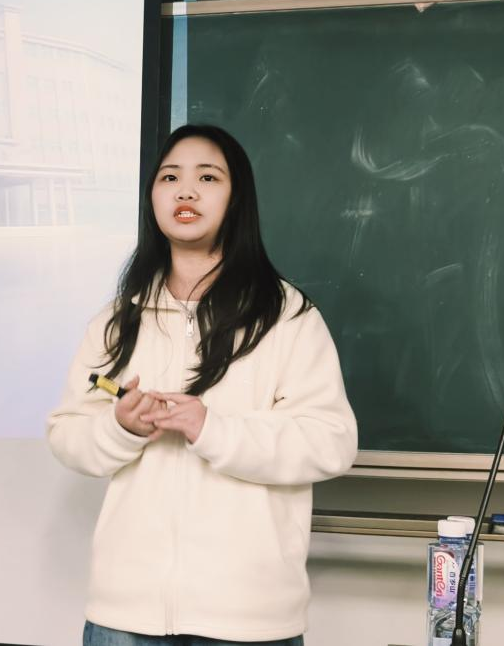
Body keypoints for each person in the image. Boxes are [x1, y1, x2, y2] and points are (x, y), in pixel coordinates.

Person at [46, 124, 358, 645]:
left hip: (248, 619)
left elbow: (331, 442)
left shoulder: (286, 317)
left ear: (237, 199)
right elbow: (66, 434)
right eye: (170, 177)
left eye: (208, 178)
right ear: (152, 197)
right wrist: (120, 427)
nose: (185, 191)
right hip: (125, 616)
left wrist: (212, 429)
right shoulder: (117, 320)